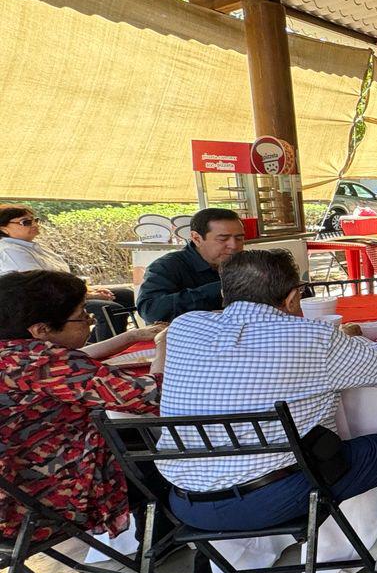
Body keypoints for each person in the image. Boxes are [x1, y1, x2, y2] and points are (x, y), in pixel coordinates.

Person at [158, 250, 377, 573]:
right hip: (275, 498)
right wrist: (349, 338)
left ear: (224, 293)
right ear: (293, 297)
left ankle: (216, 557)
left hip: (184, 502)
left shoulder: (185, 327)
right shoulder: (312, 337)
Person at [0, 270, 167, 548]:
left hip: (13, 492)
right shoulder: (46, 362)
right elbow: (151, 396)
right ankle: (163, 542)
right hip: (40, 504)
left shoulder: (15, 354)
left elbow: (73, 361)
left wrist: (132, 336)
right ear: (41, 330)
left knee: (132, 438)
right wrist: (163, 345)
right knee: (172, 453)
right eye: (82, 315)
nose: (90, 322)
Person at [0, 205, 135, 340]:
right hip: (44, 304)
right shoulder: (10, 250)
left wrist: (88, 290)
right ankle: (104, 351)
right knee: (108, 308)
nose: (34, 224)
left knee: (127, 295)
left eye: (35, 220)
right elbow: (39, 289)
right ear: (3, 228)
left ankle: (97, 344)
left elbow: (60, 278)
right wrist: (86, 295)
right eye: (26, 222)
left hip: (63, 295)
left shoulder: (33, 246)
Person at [135, 207, 247, 323]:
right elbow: (151, 311)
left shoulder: (248, 264)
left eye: (239, 238)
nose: (233, 245)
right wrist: (222, 288)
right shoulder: (168, 266)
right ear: (196, 238)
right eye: (223, 239)